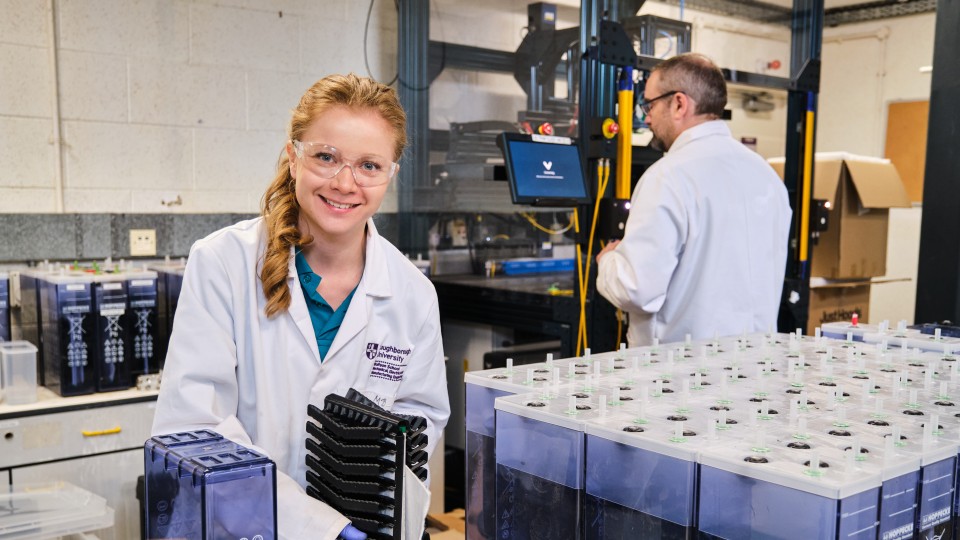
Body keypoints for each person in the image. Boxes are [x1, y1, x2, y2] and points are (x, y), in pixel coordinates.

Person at [152, 74, 450, 540]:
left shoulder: (412, 292)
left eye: (369, 165)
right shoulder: (223, 263)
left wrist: (379, 512)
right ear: (293, 160)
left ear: (391, 174)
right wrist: (325, 530)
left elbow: (420, 421)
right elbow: (197, 427)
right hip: (244, 530)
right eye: (326, 157)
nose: (345, 182)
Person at [596, 53, 791, 347]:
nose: (646, 117)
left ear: (678, 103)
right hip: (754, 368)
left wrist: (608, 261)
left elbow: (637, 290)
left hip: (680, 377)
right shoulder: (766, 175)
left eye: (648, 105)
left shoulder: (667, 176)